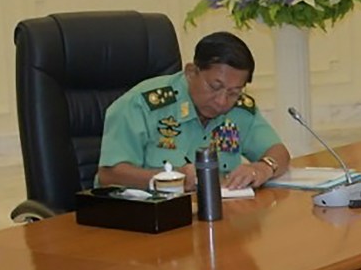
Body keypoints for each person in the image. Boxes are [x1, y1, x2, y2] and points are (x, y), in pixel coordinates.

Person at [96, 31, 292, 191]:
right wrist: (171, 180)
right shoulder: (142, 104)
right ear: (191, 72)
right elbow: (109, 175)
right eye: (215, 87)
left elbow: (278, 152)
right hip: (146, 220)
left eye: (233, 92)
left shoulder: (240, 109)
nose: (222, 101)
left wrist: (263, 167)